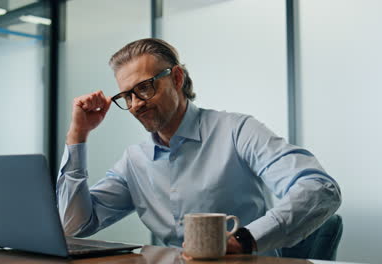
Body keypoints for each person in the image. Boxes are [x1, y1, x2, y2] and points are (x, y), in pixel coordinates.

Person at [56, 38, 341, 256]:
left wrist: (243, 241)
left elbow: (320, 189)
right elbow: (74, 226)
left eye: (144, 87)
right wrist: (77, 136)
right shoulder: (134, 161)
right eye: (127, 96)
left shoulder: (237, 131)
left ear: (177, 78)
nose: (136, 104)